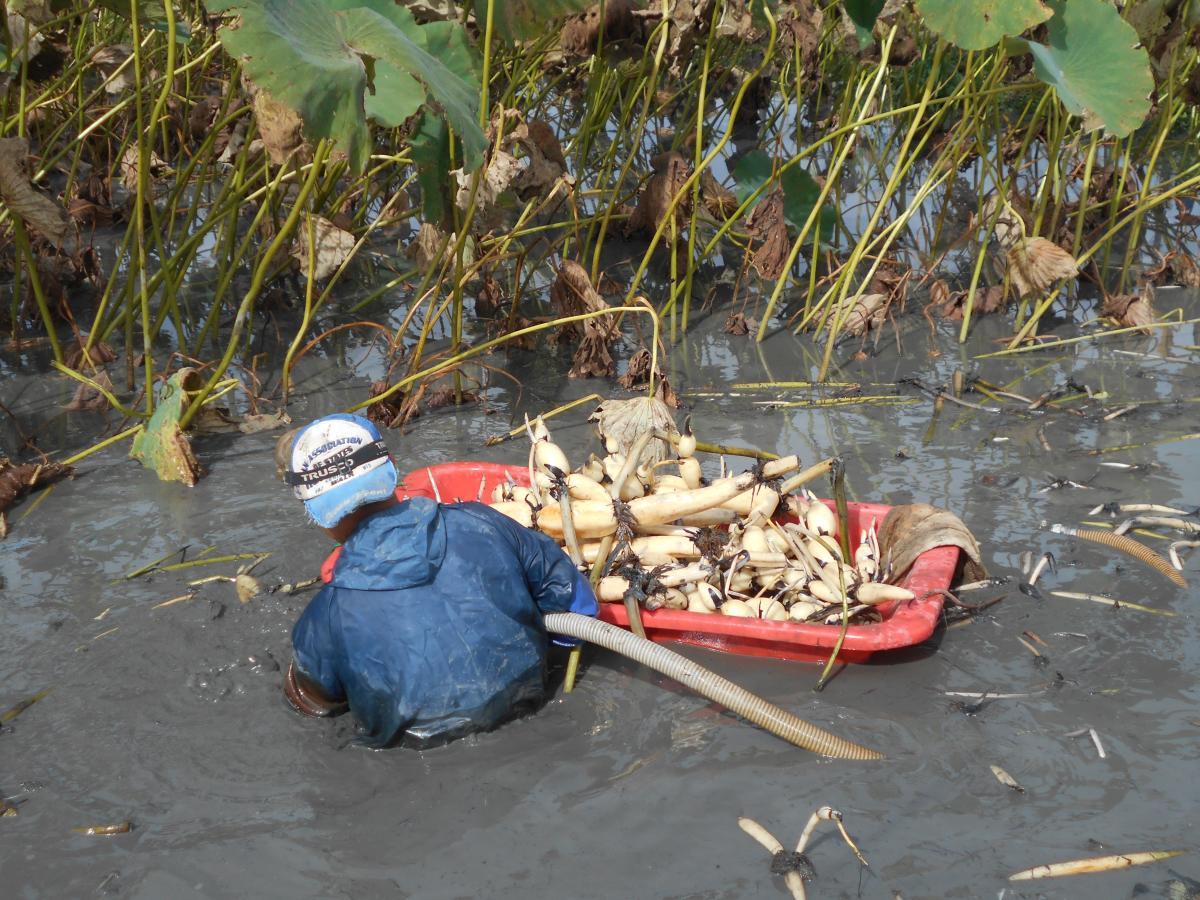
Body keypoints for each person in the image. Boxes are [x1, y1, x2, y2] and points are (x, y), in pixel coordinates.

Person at [278, 413, 598, 748]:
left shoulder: (323, 617)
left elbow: (312, 703)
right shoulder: (485, 522)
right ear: (391, 466)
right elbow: (578, 604)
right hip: (529, 709)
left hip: (415, 758)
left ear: (316, 513)